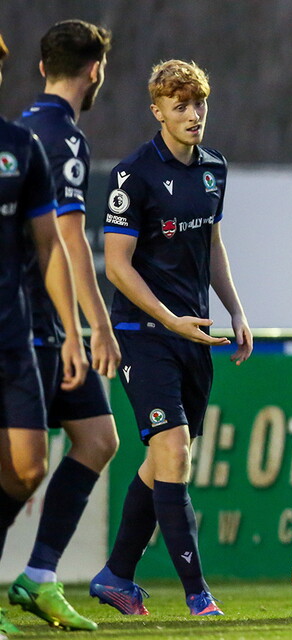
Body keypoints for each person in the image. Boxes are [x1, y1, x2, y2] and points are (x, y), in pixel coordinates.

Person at [89, 59, 252, 617]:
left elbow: (212, 246)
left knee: (164, 461)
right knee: (174, 452)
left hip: (193, 335)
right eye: (180, 106)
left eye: (199, 103)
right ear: (157, 112)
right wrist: (167, 317)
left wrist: (236, 310)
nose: (193, 114)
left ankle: (115, 576)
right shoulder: (133, 174)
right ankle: (198, 596)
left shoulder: (214, 168)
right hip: (143, 333)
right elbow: (116, 266)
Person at [8, 20, 117, 632]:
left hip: (38, 321)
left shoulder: (24, 127)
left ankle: (39, 575)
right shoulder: (63, 137)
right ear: (95, 70)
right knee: (20, 467)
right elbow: (70, 240)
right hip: (36, 326)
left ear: (42, 66)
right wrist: (96, 325)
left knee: (98, 438)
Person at [0, 32, 87, 639]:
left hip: (15, 336)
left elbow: (52, 246)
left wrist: (73, 332)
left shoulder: (20, 145)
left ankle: (33, 576)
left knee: (28, 468)